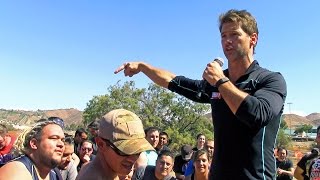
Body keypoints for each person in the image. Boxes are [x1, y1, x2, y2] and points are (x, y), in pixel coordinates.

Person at [115, 9, 287, 179]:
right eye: (223, 36)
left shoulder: (270, 80)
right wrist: (143, 67)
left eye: (234, 34)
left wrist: (220, 82)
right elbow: (175, 82)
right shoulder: (216, 83)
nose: (227, 41)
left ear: (253, 39)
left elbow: (257, 114)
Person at [76, 109, 154, 180]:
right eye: (125, 151)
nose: (133, 159)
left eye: (137, 151)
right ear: (101, 144)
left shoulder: (90, 167)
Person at [0, 120, 65, 180]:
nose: (61, 144)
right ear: (34, 144)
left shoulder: (54, 173)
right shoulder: (15, 172)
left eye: (62, 140)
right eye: (54, 138)